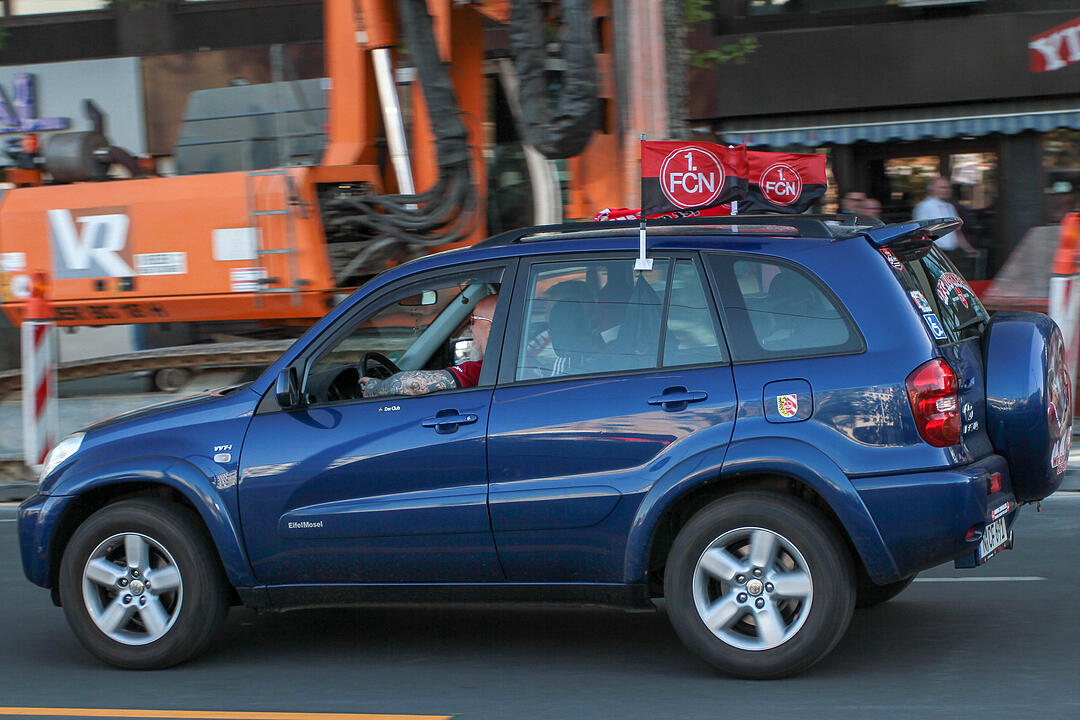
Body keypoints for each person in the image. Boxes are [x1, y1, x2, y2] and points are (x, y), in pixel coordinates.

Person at [359, 294, 497, 397]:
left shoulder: (485, 369)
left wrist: (376, 387)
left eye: (473, 320)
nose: (471, 328)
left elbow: (412, 384)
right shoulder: (504, 367)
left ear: (490, 326)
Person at [913, 177, 977, 256]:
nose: (946, 190)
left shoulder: (950, 207)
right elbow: (921, 232)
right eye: (942, 187)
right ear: (932, 189)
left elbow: (957, 231)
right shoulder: (924, 206)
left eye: (948, 188)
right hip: (935, 253)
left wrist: (968, 249)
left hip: (953, 252)